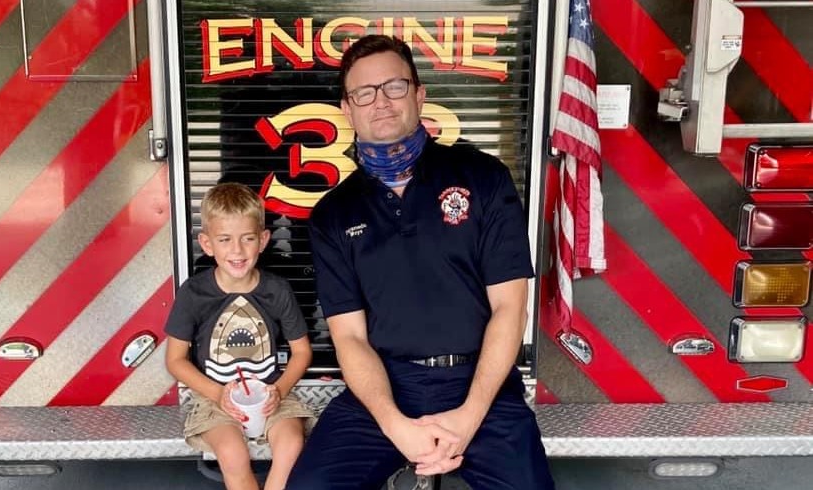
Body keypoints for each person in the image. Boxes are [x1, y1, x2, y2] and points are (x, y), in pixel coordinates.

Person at [286, 35, 554, 489]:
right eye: (364, 93)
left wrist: (469, 417)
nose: (381, 101)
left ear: (419, 94)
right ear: (347, 109)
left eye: (394, 86)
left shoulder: (484, 178)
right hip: (384, 389)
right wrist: (396, 426)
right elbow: (350, 337)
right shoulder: (333, 214)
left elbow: (511, 308)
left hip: (480, 385)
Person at [164, 182, 315, 490]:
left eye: (248, 238)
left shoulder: (277, 290)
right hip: (215, 398)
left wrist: (279, 390)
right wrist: (218, 393)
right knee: (232, 455)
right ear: (207, 244)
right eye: (225, 240)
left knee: (291, 444)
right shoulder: (193, 293)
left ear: (263, 240)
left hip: (272, 393)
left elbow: (302, 352)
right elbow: (175, 360)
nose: (237, 250)